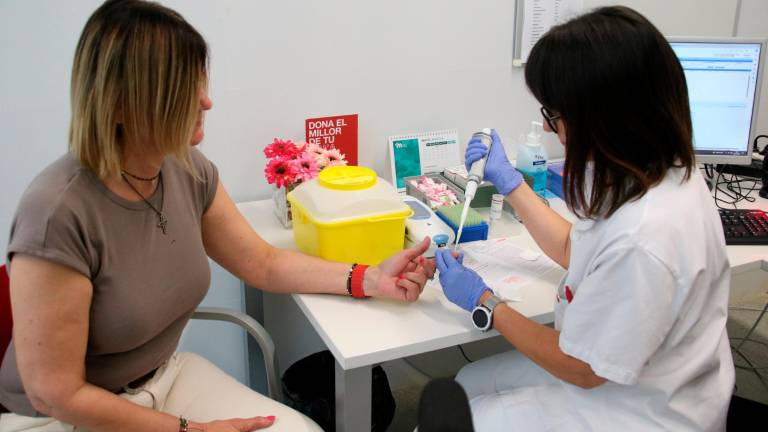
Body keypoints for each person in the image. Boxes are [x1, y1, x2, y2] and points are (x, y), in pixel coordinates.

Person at [0, 1, 435, 431]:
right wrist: (192, 431)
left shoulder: (187, 168)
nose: (206, 101)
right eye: (182, 88)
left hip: (162, 379)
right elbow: (54, 392)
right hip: (64, 415)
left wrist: (370, 279)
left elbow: (263, 263)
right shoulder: (56, 213)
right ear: (119, 105)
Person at [435, 6, 734, 431]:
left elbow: (581, 368)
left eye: (554, 115)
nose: (549, 125)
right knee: (465, 383)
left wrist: (486, 303)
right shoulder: (655, 168)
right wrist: (511, 183)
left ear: (603, 117)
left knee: (455, 418)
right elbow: (581, 250)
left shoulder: (647, 235)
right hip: (630, 371)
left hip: (640, 410)